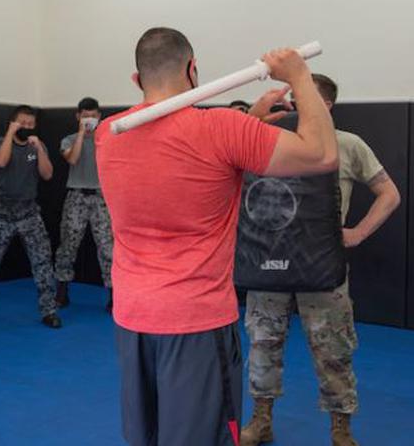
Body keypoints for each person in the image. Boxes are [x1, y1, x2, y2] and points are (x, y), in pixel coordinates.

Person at [95, 27, 339, 446]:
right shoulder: (222, 130)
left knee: (147, 436)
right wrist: (298, 76)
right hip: (195, 320)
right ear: (193, 69)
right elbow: (321, 153)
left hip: (133, 316)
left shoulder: (107, 133)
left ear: (137, 80)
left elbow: (180, 154)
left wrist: (250, 124)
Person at [241, 74, 401, 446]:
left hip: (321, 268)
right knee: (263, 341)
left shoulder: (347, 145)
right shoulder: (267, 142)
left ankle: (340, 429)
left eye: (298, 99)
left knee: (334, 349)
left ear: (324, 106)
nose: (291, 107)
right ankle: (261, 419)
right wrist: (253, 117)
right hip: (269, 264)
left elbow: (388, 193)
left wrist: (358, 233)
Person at [0, 105, 61, 328]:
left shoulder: (37, 146)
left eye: (30, 124)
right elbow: (0, 161)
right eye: (22, 123)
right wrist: (11, 133)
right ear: (13, 123)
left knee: (42, 262)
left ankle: (48, 309)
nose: (26, 127)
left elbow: (48, 174)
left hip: (29, 212)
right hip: (2, 211)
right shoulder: (1, 142)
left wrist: (40, 150)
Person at [53, 97, 114, 312]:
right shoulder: (69, 139)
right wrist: (81, 133)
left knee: (108, 247)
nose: (90, 119)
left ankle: (114, 294)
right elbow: (72, 159)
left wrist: (98, 135)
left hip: (101, 197)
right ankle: (61, 291)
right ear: (78, 116)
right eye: (86, 116)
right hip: (77, 195)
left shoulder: (107, 139)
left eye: (94, 115)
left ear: (100, 116)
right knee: (68, 244)